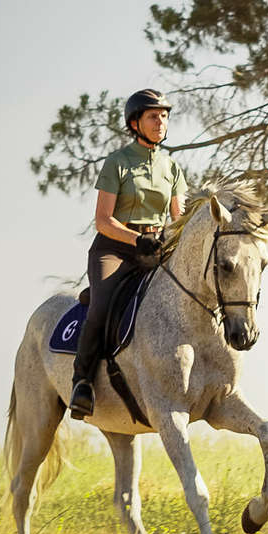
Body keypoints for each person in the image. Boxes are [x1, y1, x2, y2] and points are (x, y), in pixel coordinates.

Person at [69, 89, 189, 418]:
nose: (160, 122)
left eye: (164, 116)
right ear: (135, 123)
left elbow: (178, 218)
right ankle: (82, 382)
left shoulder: (172, 167)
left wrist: (173, 239)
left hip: (155, 249)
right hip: (115, 249)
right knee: (103, 304)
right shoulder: (117, 162)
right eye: (153, 116)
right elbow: (103, 220)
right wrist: (136, 239)